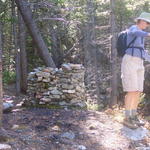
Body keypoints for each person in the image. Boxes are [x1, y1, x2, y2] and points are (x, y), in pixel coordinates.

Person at [121, 12, 150, 129]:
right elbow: (134, 32)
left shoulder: (142, 35)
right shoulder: (134, 28)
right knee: (131, 90)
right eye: (147, 22)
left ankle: (133, 115)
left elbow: (142, 51)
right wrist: (148, 34)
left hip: (139, 62)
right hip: (130, 60)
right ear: (141, 21)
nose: (147, 25)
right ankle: (127, 117)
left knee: (138, 90)